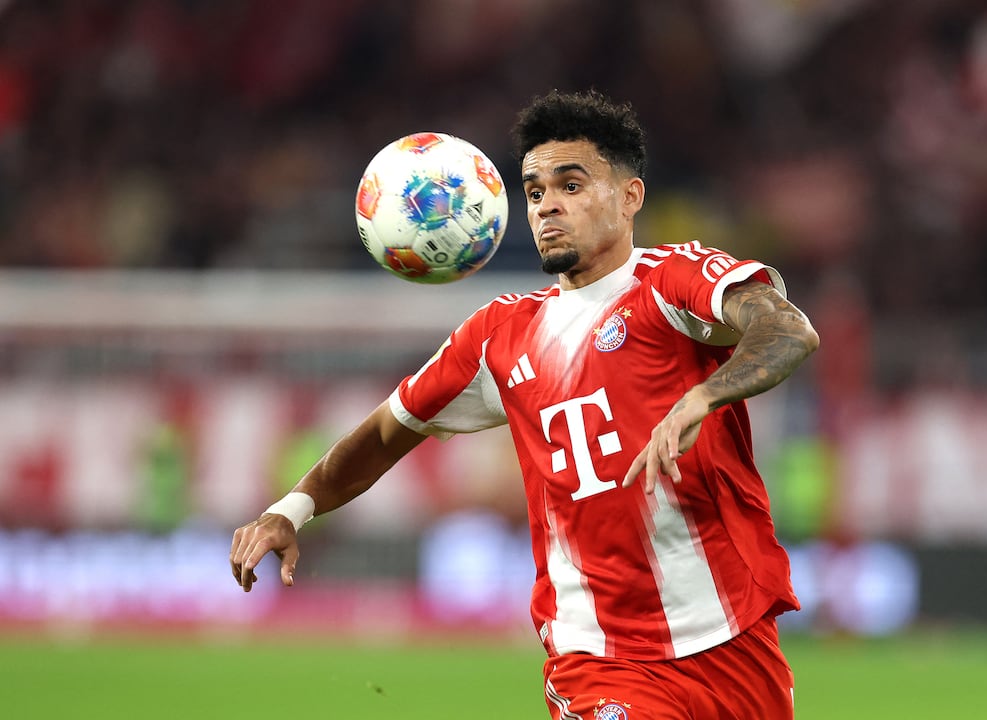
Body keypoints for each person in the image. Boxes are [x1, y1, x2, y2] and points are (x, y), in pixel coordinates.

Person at [229, 89, 820, 719]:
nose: (547, 207)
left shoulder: (672, 282)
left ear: (630, 197)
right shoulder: (498, 336)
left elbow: (788, 330)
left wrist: (704, 394)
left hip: (733, 635)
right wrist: (290, 509)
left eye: (571, 185)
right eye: (535, 192)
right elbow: (384, 433)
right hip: (599, 656)